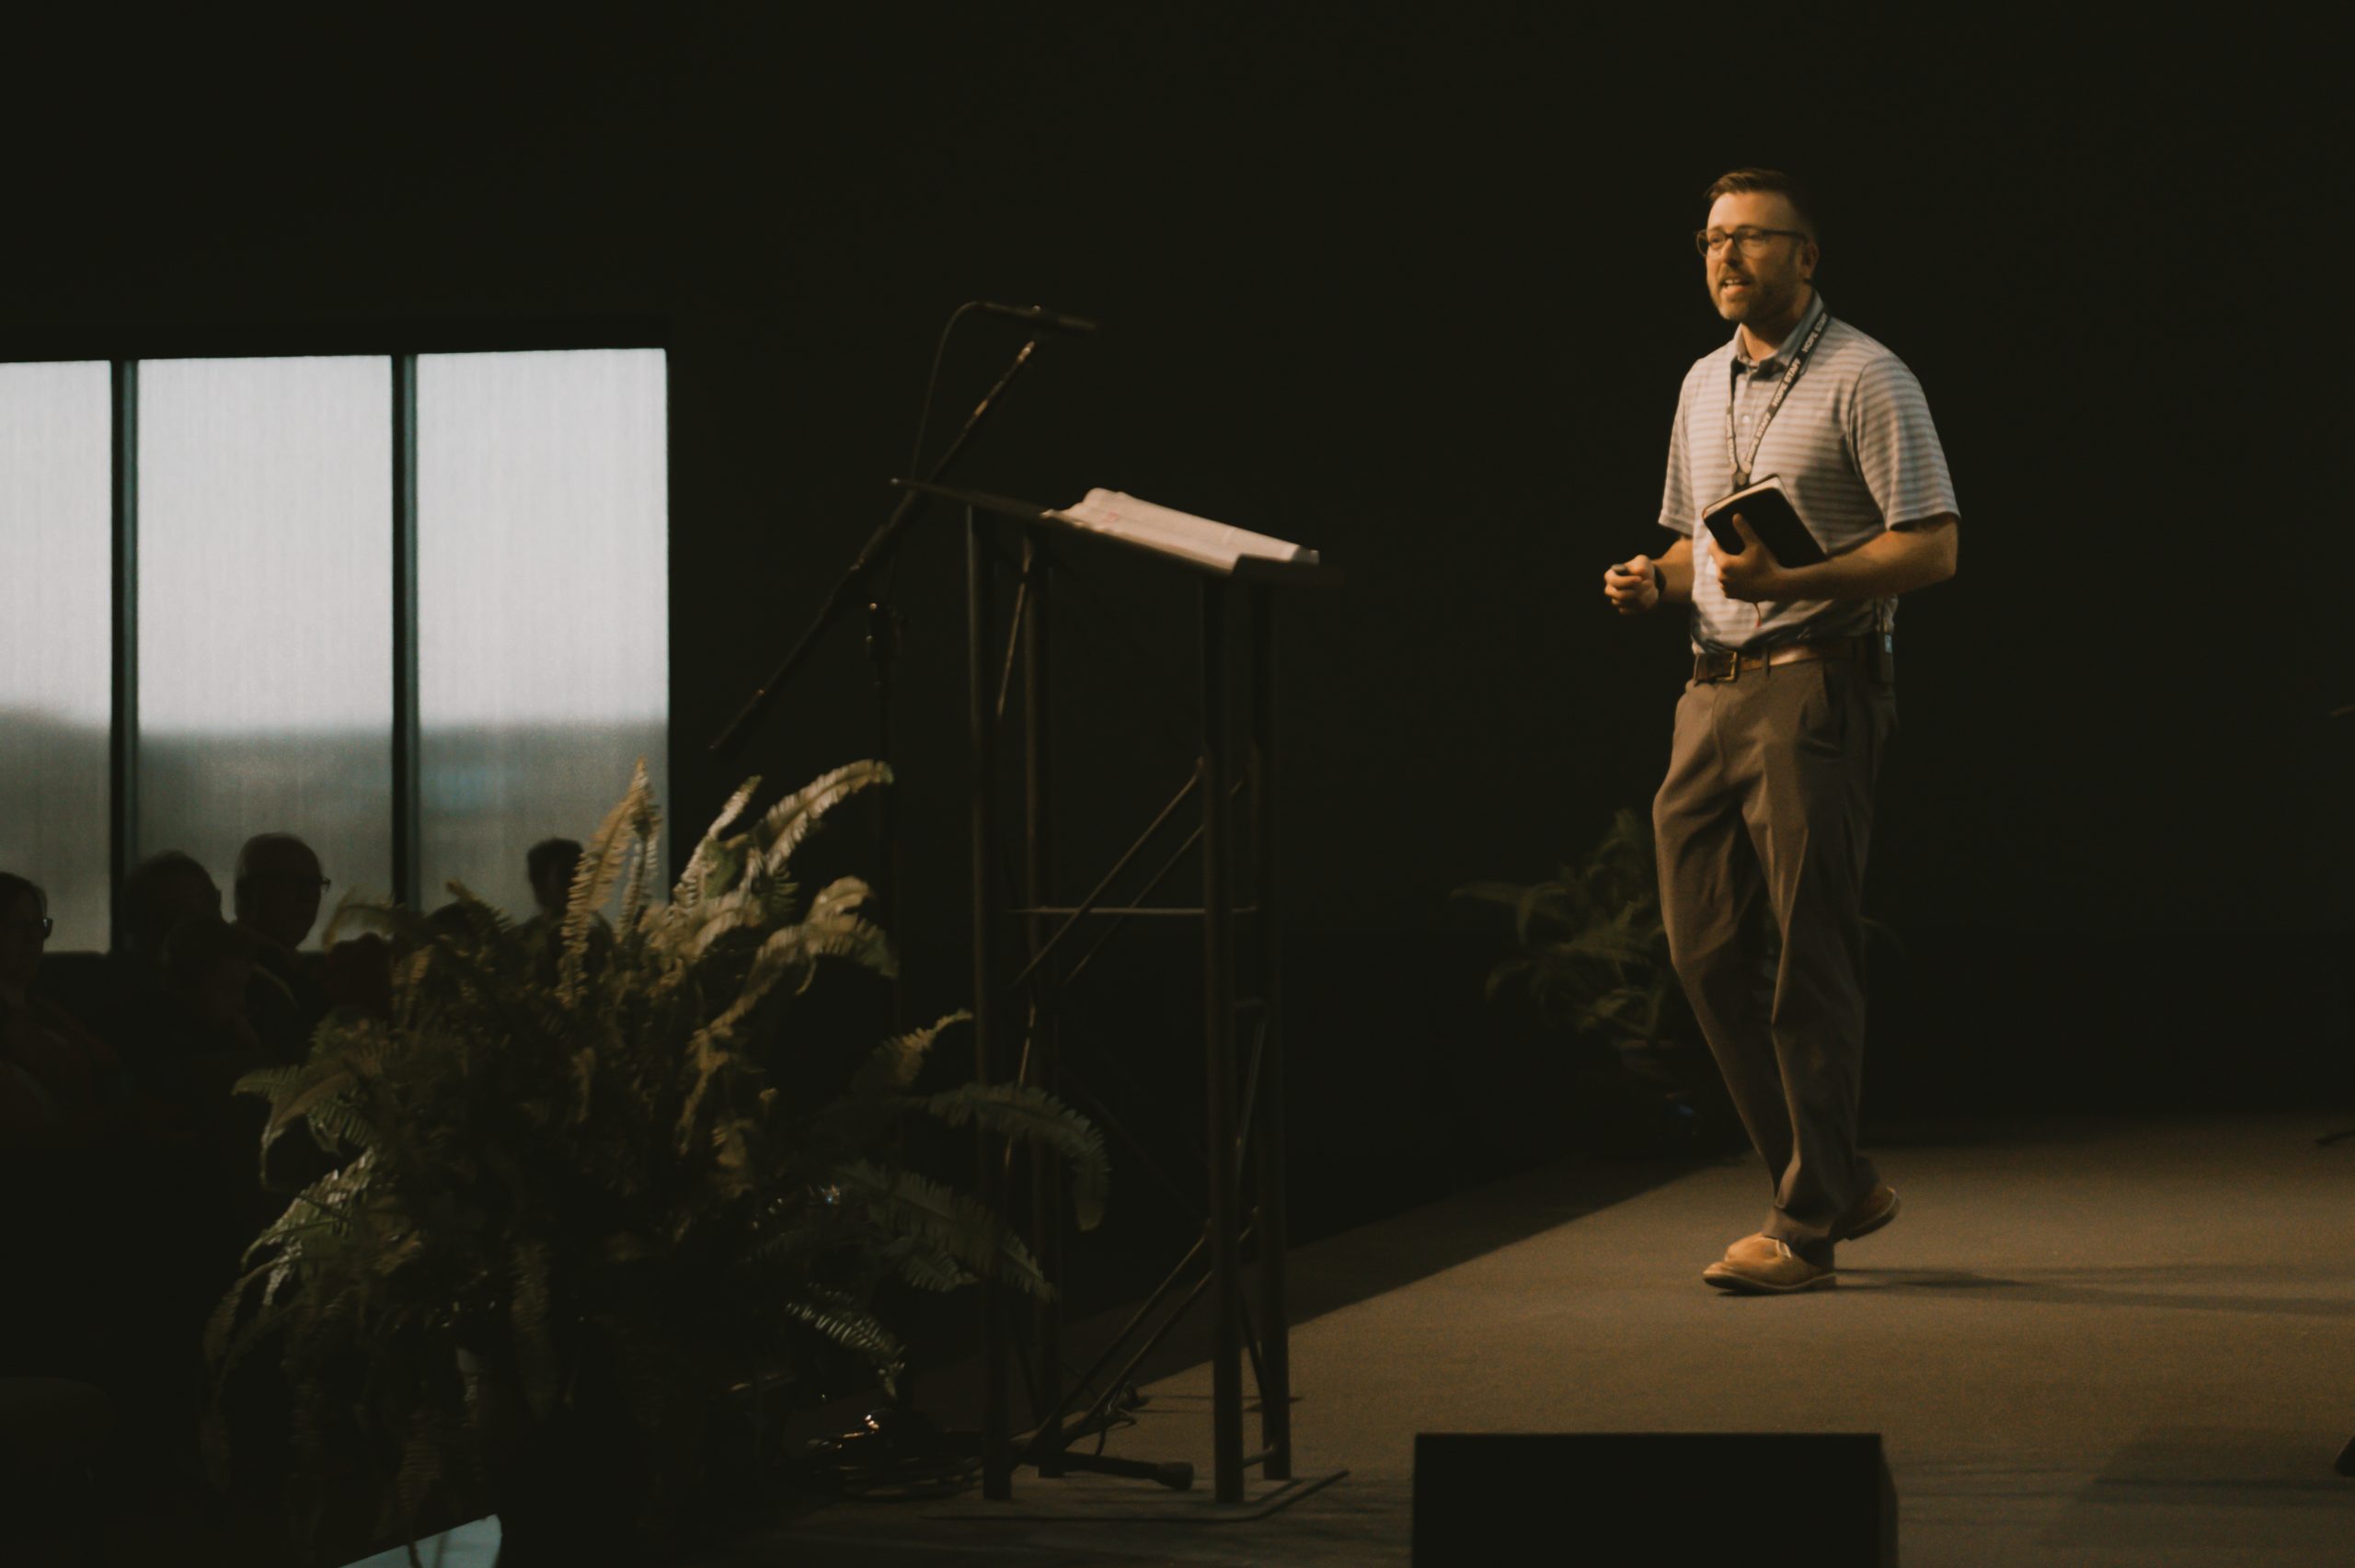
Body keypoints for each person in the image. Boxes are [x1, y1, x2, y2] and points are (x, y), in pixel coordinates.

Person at [1603, 168, 1959, 1294]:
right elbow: (1692, 547)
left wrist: (1800, 573)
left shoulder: (1868, 376)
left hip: (1817, 684)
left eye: (1751, 239)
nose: (1725, 258)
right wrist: (1651, 581)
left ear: (1807, 256)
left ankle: (1804, 1224)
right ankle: (1838, 1179)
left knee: (1809, 953)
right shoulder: (1700, 383)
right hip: (1706, 691)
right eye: (1711, 239)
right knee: (1705, 951)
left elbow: (1934, 544)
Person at [231, 832, 330, 1063]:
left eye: (315, 884)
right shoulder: (237, 977)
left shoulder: (286, 965)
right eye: (291, 882)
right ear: (247, 894)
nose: (308, 897)